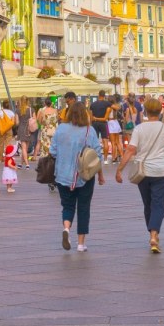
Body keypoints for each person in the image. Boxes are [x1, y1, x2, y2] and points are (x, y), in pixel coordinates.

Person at [116, 98, 164, 253]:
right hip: (162, 171)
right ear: (160, 111)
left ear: (147, 111)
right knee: (159, 204)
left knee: (148, 204)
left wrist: (120, 169)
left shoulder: (139, 129)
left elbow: (130, 150)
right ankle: (154, 235)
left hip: (143, 172)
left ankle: (152, 234)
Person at [50, 101, 106, 251]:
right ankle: (81, 243)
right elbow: (97, 155)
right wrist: (100, 175)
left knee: (67, 205)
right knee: (83, 207)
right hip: (84, 175)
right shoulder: (89, 130)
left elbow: (53, 151)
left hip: (62, 174)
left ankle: (66, 229)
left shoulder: (61, 129)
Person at [90, 91, 112, 157]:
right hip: (103, 123)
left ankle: (95, 156)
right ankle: (105, 159)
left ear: (98, 95)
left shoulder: (93, 104)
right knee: (105, 141)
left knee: (94, 141)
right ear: (104, 95)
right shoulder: (107, 104)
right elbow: (106, 117)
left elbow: (91, 117)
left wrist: (94, 120)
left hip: (94, 124)